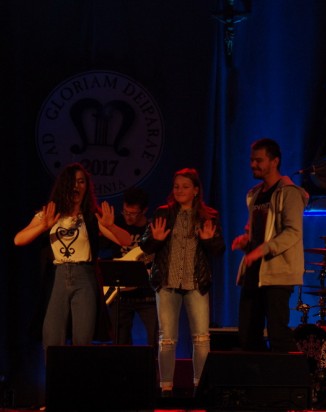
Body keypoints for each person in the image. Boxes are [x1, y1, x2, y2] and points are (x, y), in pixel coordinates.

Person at [13, 162, 132, 354]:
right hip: (57, 277)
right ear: (64, 185)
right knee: (52, 339)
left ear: (86, 187)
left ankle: (80, 374)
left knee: (82, 340)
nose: (76, 186)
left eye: (81, 181)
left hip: (84, 277)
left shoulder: (91, 216)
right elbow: (19, 239)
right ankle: (55, 374)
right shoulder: (48, 215)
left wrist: (110, 226)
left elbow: (126, 240)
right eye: (72, 182)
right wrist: (43, 226)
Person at [139, 168, 225, 396]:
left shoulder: (208, 215)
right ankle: (166, 388)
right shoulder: (163, 212)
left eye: (185, 187)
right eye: (176, 186)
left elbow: (219, 250)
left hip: (196, 283)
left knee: (201, 338)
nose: (179, 190)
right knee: (167, 339)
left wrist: (209, 241)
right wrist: (155, 240)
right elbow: (145, 244)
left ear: (196, 190)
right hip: (167, 282)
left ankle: (200, 388)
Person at [231, 138, 309, 352]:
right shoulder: (255, 194)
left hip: (277, 272)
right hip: (255, 272)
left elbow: (293, 232)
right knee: (247, 335)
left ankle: (292, 373)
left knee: (278, 334)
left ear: (275, 161)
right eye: (252, 160)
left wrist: (261, 250)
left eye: (259, 160)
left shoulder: (289, 192)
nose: (253, 164)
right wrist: (246, 241)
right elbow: (260, 231)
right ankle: (257, 373)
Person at [101, 187, 158, 348]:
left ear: (144, 210)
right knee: (120, 341)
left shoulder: (152, 230)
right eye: (125, 211)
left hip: (147, 295)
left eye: (133, 213)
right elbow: (102, 250)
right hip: (120, 294)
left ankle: (153, 364)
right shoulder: (116, 224)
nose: (128, 216)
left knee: (156, 337)